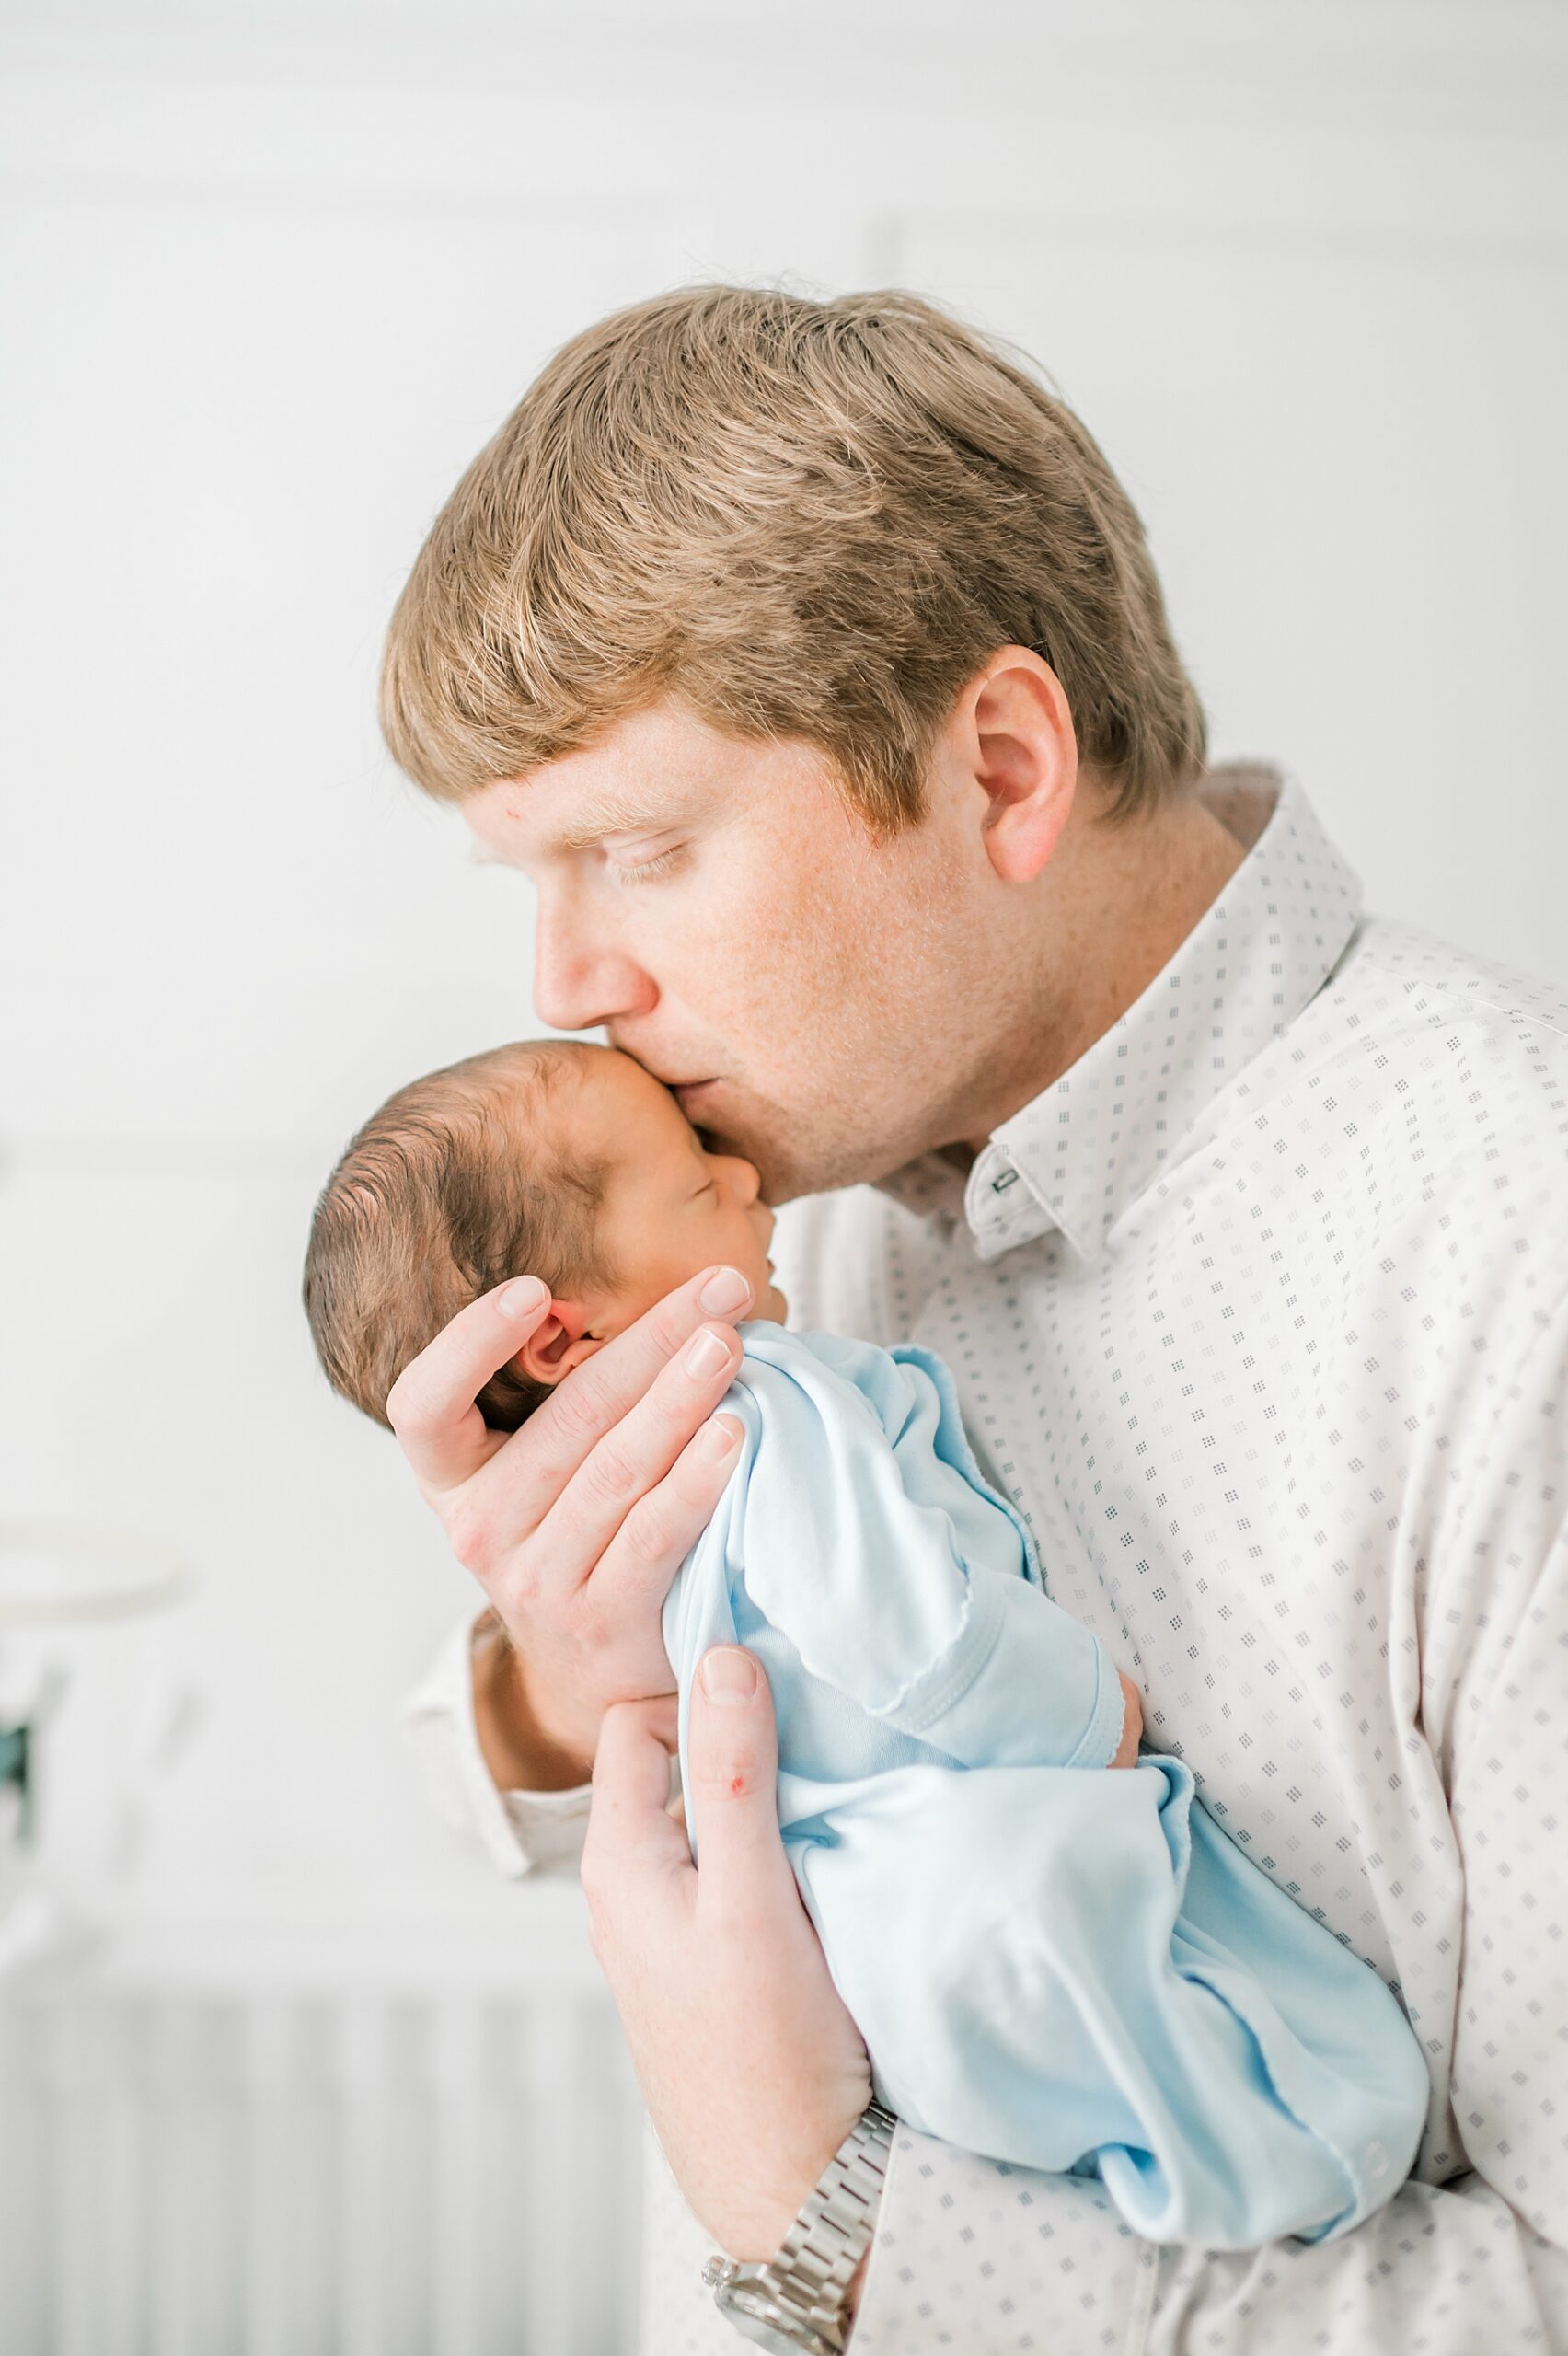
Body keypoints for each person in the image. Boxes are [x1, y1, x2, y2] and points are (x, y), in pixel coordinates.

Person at [379, 286, 1568, 2350]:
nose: (567, 978)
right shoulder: (785, 1176)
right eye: (531, 878)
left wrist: (838, 2227)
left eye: (640, 849)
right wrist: (575, 1685)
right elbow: (539, 1798)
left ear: (1002, 765)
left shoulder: (1512, 1249)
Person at [304, 1037, 1429, 2253]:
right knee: (1110, 1963)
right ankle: (1277, 2153)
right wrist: (1079, 1716)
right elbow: (910, 1636)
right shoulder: (764, 1398)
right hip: (940, 1829)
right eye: (698, 1182)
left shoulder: (642, 1469)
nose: (746, 1181)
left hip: (849, 1898)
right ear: (562, 1342)